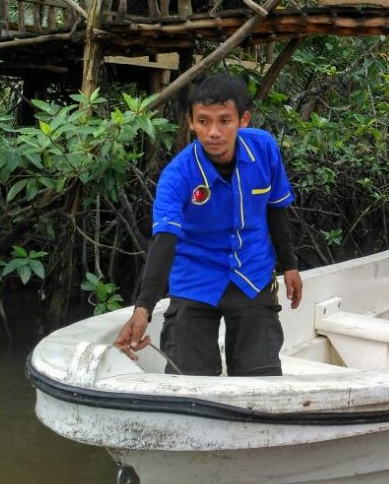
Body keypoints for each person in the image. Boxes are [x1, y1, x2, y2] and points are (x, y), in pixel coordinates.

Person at [113, 74, 303, 376]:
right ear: (190, 122)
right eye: (203, 122)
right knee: (188, 380)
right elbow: (163, 241)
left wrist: (290, 265)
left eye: (224, 121)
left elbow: (277, 208)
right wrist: (143, 309)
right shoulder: (177, 176)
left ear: (243, 120)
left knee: (261, 379)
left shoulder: (264, 149)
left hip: (251, 275)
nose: (213, 132)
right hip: (195, 278)